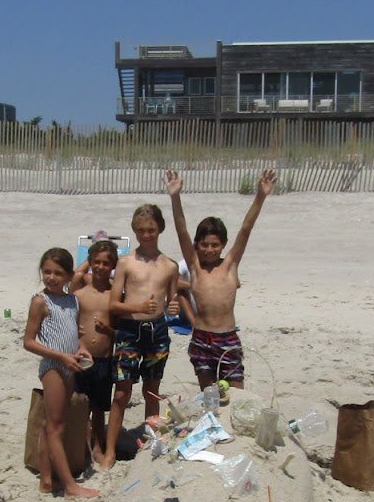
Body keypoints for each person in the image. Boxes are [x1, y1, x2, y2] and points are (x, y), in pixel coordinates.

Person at [166, 167, 275, 392]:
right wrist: (175, 196)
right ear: (197, 245)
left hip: (228, 339)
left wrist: (260, 196)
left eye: (215, 245)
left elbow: (245, 229)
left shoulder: (230, 266)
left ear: (223, 245)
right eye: (204, 245)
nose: (209, 250)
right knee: (210, 396)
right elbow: (182, 231)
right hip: (201, 339)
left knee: (236, 395)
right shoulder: (195, 268)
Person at [103, 202, 180, 468]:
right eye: (140, 230)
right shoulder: (125, 263)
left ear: (160, 229)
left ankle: (149, 445)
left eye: (151, 230)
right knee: (122, 393)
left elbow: (172, 301)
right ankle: (110, 450)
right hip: (129, 330)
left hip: (156, 331)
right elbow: (113, 304)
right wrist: (137, 307)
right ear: (134, 231)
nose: (146, 235)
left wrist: (173, 306)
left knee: (152, 391)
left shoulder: (169, 266)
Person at [22, 248, 98, 499]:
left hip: (70, 366)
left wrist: (82, 348)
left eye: (58, 273)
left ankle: (46, 480)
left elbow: (75, 335)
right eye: (47, 272)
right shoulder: (40, 302)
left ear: (68, 276)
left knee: (51, 426)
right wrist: (61, 356)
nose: (52, 277)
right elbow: (29, 342)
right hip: (53, 368)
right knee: (56, 428)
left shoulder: (72, 300)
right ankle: (70, 486)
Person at [69, 238, 120, 464]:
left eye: (106, 263)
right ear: (89, 262)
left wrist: (107, 329)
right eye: (95, 262)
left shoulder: (115, 295)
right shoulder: (79, 293)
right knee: (80, 405)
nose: (100, 267)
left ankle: (97, 444)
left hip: (104, 358)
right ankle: (81, 443)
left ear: (113, 266)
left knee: (99, 407)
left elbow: (121, 330)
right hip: (80, 357)